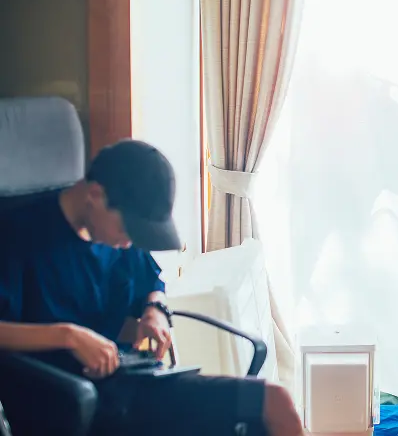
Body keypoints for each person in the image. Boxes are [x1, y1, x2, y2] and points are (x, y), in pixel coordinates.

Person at [0, 139, 303, 435]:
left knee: (274, 403)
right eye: (126, 231)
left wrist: (155, 310)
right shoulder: (18, 234)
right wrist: (68, 336)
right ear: (95, 195)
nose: (128, 243)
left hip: (131, 384)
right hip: (68, 400)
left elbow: (152, 282)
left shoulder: (113, 236)